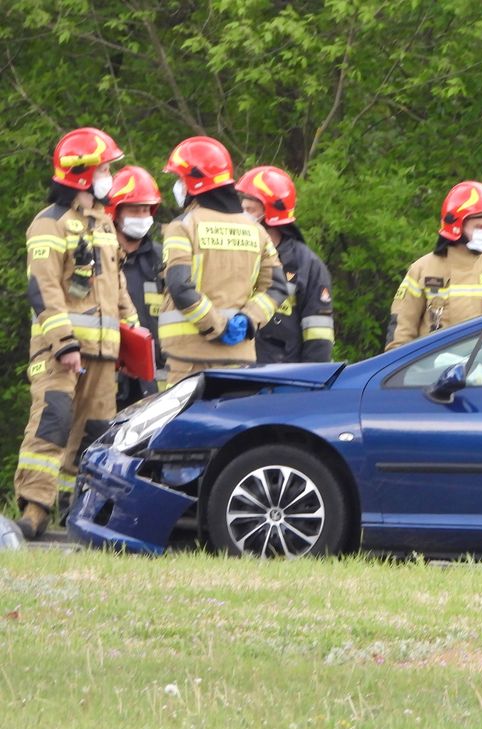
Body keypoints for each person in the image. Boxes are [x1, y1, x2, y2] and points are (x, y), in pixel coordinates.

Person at [14, 127, 139, 540]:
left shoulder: (103, 223)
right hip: (59, 353)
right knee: (52, 424)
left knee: (94, 435)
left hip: (103, 355)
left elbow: (115, 284)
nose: (110, 175)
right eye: (105, 168)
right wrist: (64, 343)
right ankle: (34, 510)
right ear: (82, 174)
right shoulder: (49, 224)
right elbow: (44, 290)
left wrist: (132, 328)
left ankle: (75, 512)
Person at [158, 136, 292, 386]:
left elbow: (180, 287)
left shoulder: (184, 226)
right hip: (240, 359)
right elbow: (277, 287)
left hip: (189, 358)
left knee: (186, 425)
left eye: (179, 179)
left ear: (193, 181)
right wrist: (248, 320)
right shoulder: (256, 229)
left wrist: (216, 327)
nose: (178, 186)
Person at [385, 180, 482, 351]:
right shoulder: (422, 270)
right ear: (456, 226)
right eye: (480, 227)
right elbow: (401, 331)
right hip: (430, 374)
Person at [235, 165, 334, 363]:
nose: (242, 216)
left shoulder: (307, 265)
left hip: (282, 378)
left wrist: (310, 384)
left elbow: (319, 337)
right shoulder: (236, 253)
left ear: (272, 214)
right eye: (242, 209)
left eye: (250, 210)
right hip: (236, 371)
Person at [106, 165, 165, 408]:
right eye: (134, 210)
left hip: (154, 381)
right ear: (115, 213)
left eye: (146, 210)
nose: (141, 217)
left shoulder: (163, 259)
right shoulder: (99, 257)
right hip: (108, 379)